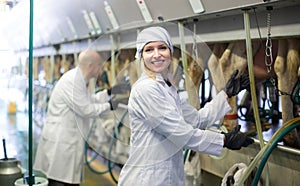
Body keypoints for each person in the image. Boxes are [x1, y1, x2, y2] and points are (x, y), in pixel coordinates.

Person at [118, 26, 254, 186]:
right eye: (149, 50)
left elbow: (197, 119)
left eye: (162, 47)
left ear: (170, 52)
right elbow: (180, 133)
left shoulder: (167, 89)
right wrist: (223, 140)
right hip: (145, 180)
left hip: (165, 177)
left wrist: (225, 95)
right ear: (140, 55)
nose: (157, 54)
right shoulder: (146, 90)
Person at [34, 50, 129, 186]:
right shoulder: (73, 81)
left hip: (68, 140)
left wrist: (109, 92)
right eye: (99, 66)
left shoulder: (78, 79)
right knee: (59, 182)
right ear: (91, 66)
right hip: (62, 141)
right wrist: (110, 106)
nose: (100, 70)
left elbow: (88, 100)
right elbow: (86, 109)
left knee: (67, 180)